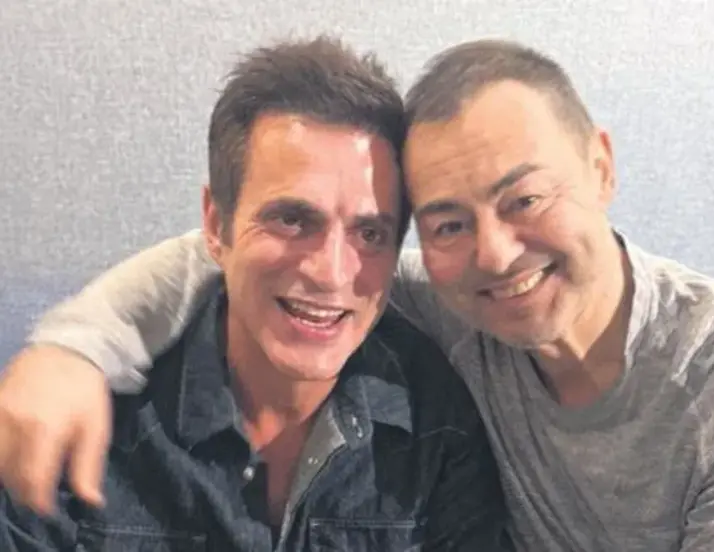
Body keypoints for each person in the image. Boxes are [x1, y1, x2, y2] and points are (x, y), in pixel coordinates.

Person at [2, 37, 714, 551]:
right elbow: (231, 256)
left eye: (525, 198)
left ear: (601, 166)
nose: (495, 254)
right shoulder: (449, 311)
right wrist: (74, 348)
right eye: (448, 223)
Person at [0, 36, 512, 552]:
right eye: (291, 219)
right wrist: (71, 347)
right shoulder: (82, 419)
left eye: (370, 233)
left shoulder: (437, 425)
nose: (331, 273)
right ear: (215, 224)